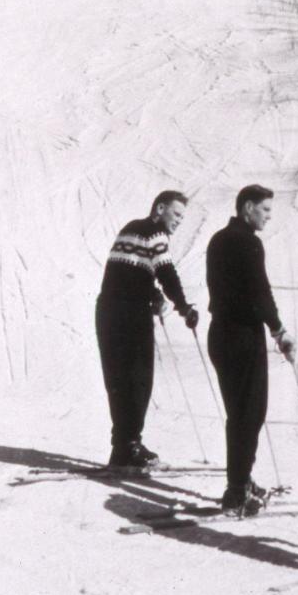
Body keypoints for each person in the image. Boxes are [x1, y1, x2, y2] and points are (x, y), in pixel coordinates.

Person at [206, 184, 295, 516]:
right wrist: (279, 330)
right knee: (251, 413)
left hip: (220, 333)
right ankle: (236, 489)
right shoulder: (249, 243)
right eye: (265, 210)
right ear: (247, 208)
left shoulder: (218, 239)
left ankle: (240, 480)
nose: (269, 217)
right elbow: (260, 291)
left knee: (239, 413)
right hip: (243, 336)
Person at [96, 191, 199, 469]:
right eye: (176, 214)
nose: (179, 221)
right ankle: (130, 445)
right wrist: (184, 307)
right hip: (130, 314)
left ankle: (122, 447)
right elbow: (167, 272)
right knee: (139, 380)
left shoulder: (131, 229)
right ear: (160, 208)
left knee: (118, 381)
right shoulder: (156, 234)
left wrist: (152, 293)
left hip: (107, 311)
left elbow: (125, 274)